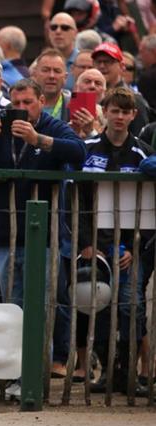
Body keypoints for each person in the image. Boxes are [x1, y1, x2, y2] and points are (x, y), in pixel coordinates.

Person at [0, 78, 86, 390]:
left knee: (39, 305)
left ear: (41, 101)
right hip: (5, 232)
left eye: (28, 103)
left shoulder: (53, 125)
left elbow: (78, 152)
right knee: (13, 304)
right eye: (16, 104)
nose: (21, 110)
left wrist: (39, 139)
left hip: (45, 233)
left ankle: (35, 376)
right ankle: (15, 373)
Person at [79, 87, 154, 396]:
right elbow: (77, 201)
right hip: (95, 246)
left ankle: (129, 372)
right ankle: (106, 372)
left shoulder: (142, 151)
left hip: (132, 247)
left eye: (126, 112)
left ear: (134, 115)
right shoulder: (87, 148)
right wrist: (86, 243)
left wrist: (135, 248)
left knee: (131, 307)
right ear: (104, 111)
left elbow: (149, 205)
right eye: (115, 110)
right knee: (98, 308)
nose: (120, 116)